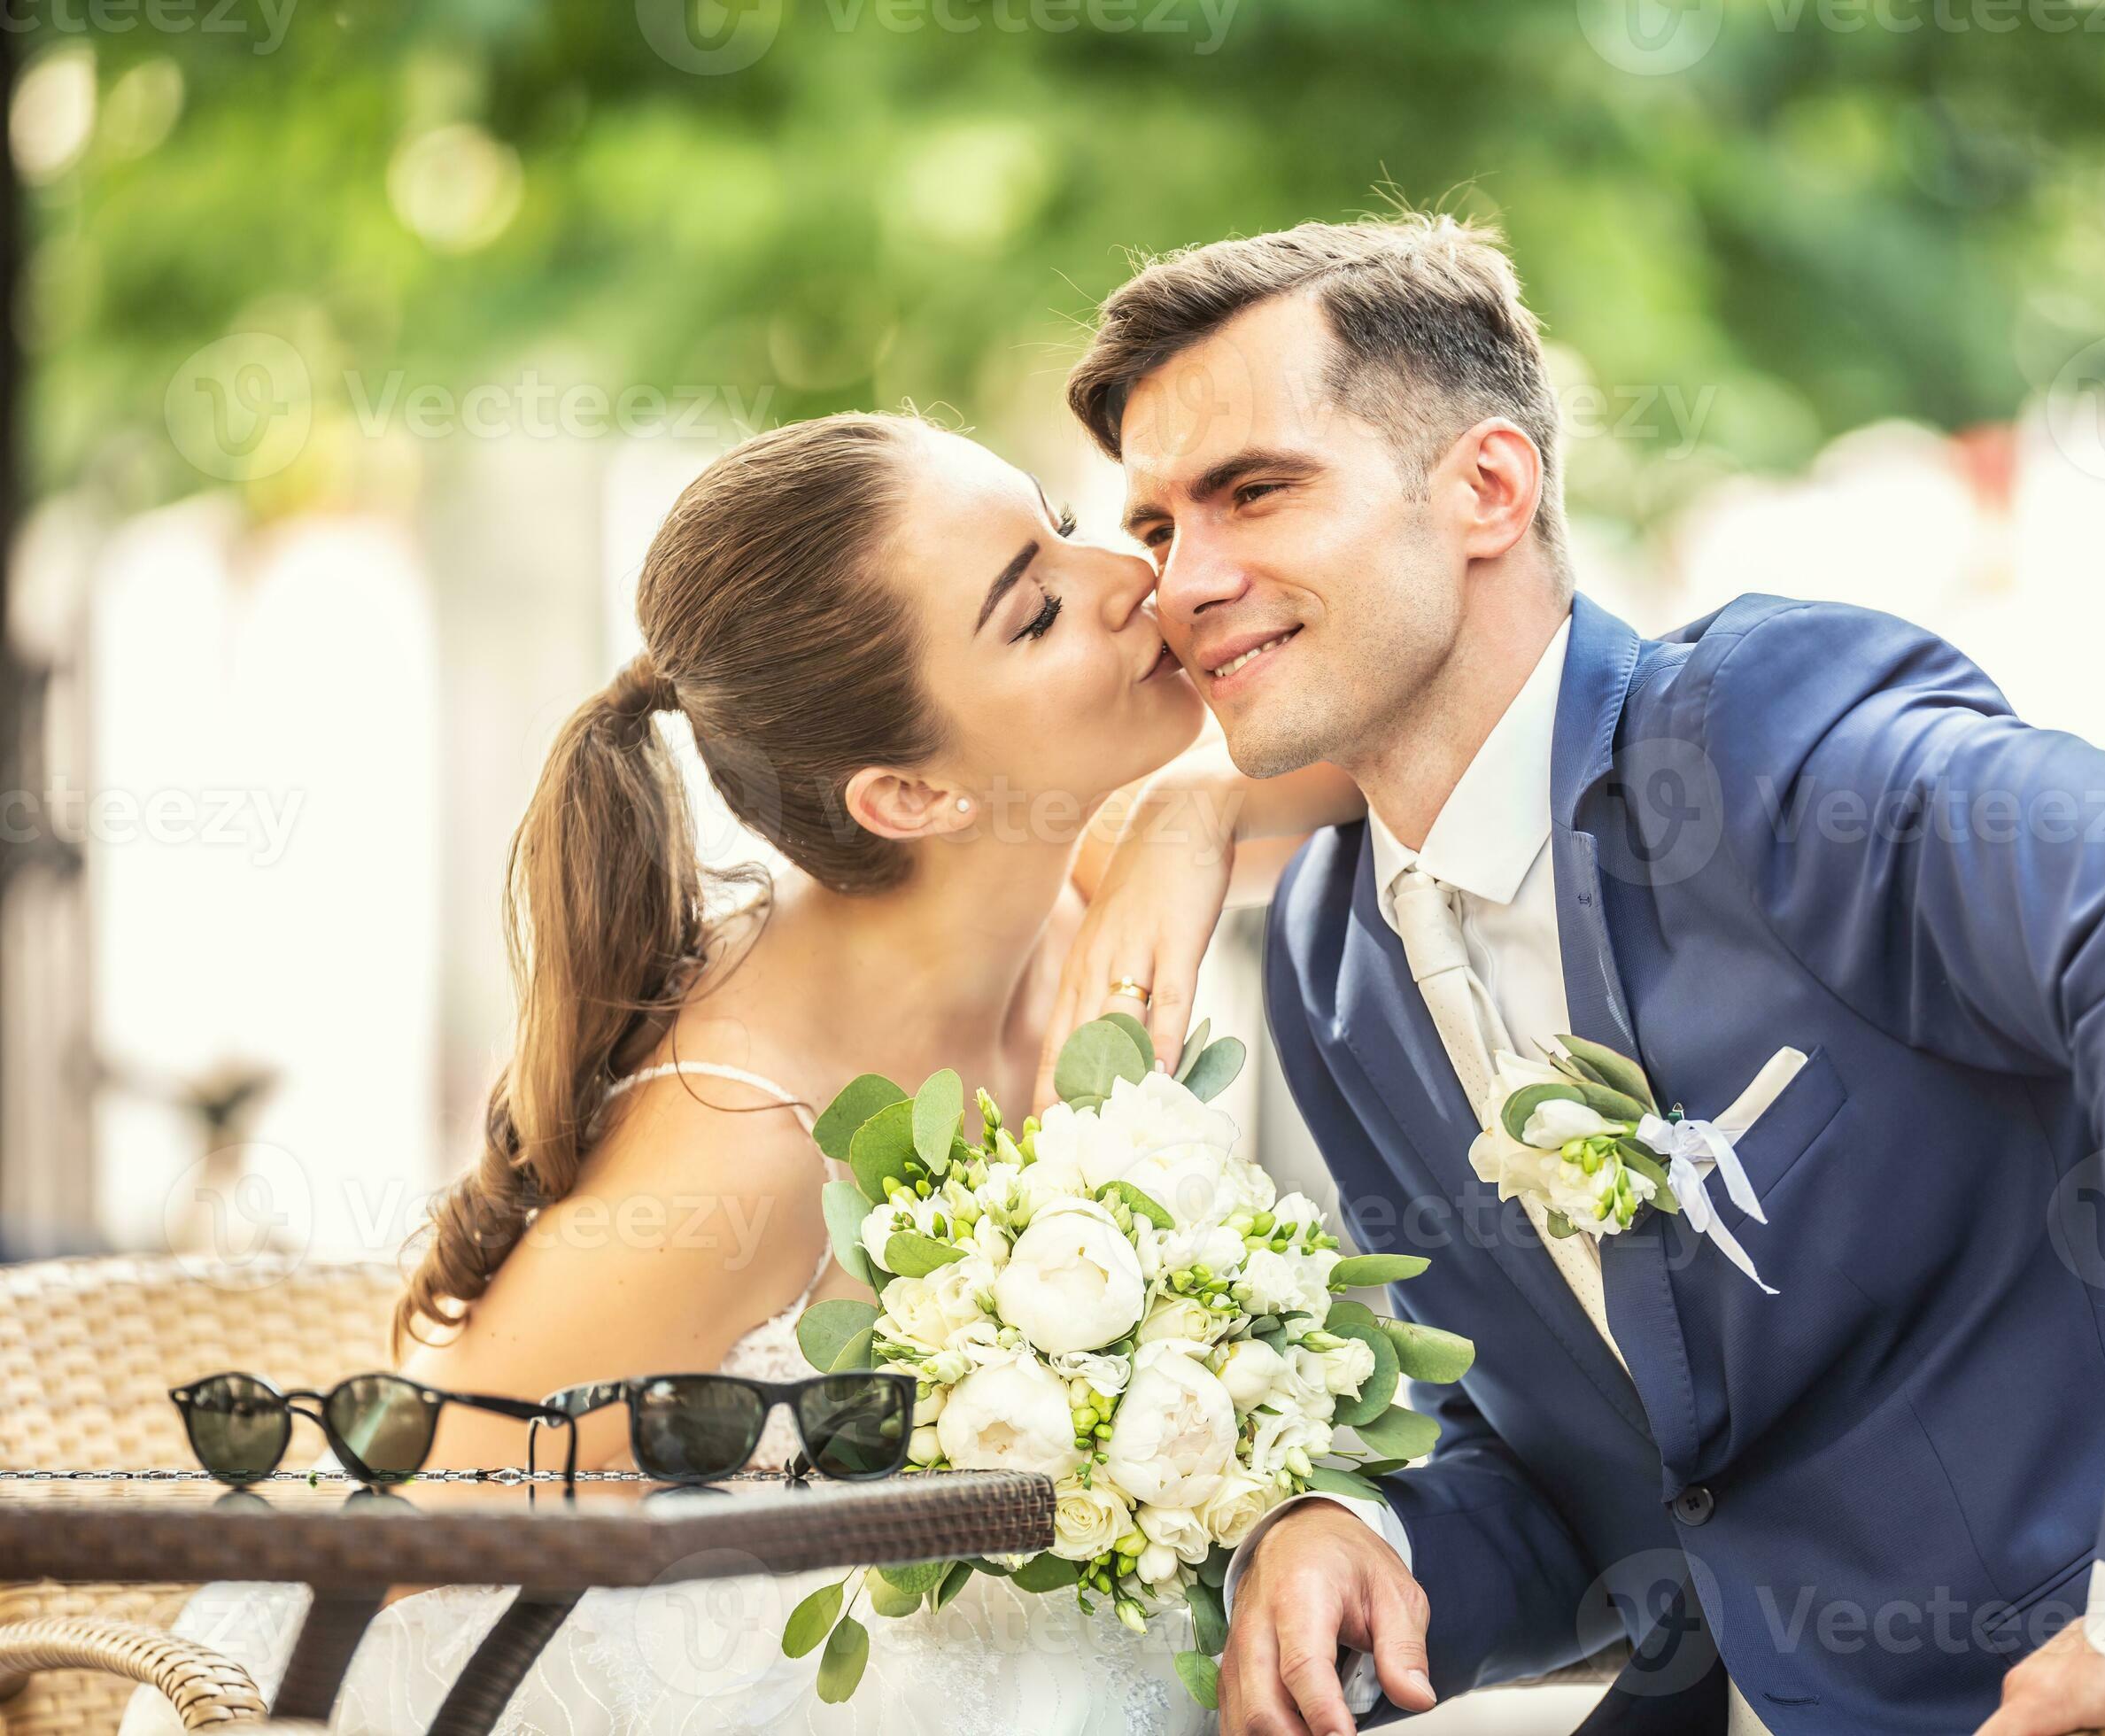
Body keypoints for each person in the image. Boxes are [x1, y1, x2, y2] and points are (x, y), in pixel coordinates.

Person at [1064, 213, 2105, 1736]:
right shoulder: (1335, 959)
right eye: (1152, 530)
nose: (1182, 580)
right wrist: (1366, 1535)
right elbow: (1609, 1476)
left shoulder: (1771, 748)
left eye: (1253, 492)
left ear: (1486, 488)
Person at [125, 410, 1353, 1736]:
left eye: (1059, 523)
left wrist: (1203, 806)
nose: (1127, 577)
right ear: (910, 796)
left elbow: (1402, 725)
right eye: (1035, 612)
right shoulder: (739, 1146)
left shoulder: (1071, 876)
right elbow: (403, 1558)